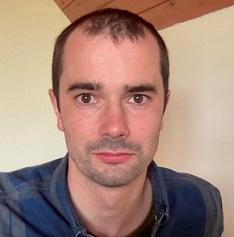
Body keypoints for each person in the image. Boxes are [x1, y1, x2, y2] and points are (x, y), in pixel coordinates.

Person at [0, 8, 223, 237]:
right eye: (86, 98)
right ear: (57, 108)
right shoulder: (7, 212)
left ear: (163, 108)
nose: (115, 128)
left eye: (138, 98)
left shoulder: (203, 204)